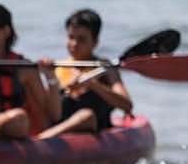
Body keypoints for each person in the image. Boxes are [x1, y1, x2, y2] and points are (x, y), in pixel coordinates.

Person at [0, 4, 60, 140]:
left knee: (19, 117)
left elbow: (54, 115)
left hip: (8, 130)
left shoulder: (24, 69)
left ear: (5, 31)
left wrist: (50, 79)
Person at [38, 9, 133, 139]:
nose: (74, 44)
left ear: (95, 42)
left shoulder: (105, 68)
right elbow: (52, 112)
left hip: (92, 123)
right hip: (61, 125)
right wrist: (50, 79)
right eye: (71, 37)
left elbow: (126, 105)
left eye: (82, 39)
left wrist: (92, 84)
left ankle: (42, 139)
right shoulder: (58, 67)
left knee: (86, 115)